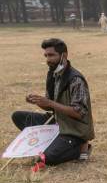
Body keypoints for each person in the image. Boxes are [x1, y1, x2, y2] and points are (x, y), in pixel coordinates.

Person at [10, 39, 95, 170]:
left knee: (49, 158)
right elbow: (50, 107)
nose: (48, 59)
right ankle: (52, 143)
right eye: (46, 55)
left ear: (64, 55)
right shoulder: (52, 74)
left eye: (51, 55)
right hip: (57, 123)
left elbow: (79, 113)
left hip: (74, 130)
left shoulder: (75, 79)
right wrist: (38, 102)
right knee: (18, 116)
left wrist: (49, 102)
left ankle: (81, 147)